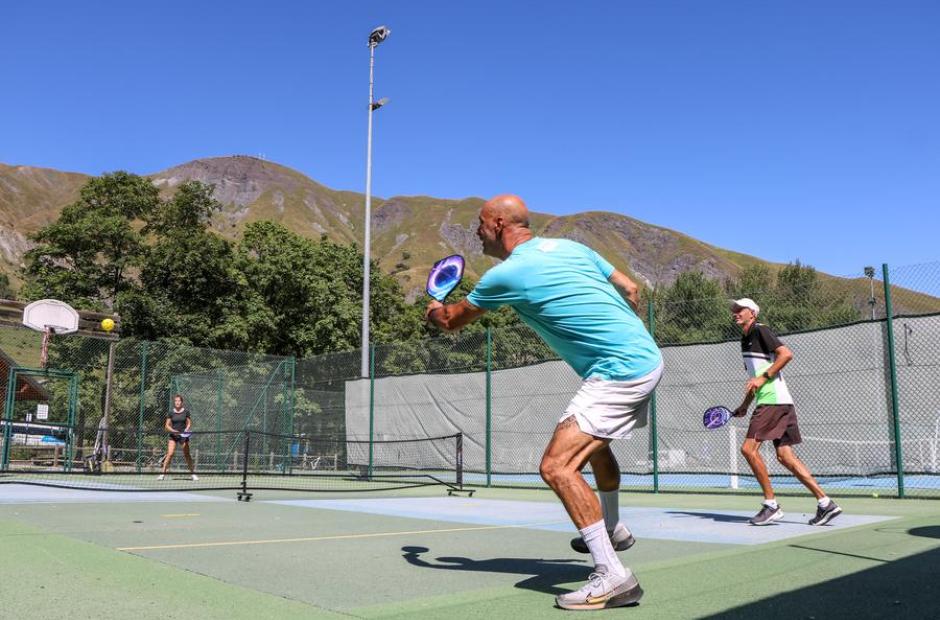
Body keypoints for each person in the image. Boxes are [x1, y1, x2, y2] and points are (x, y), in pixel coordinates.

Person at [425, 195, 663, 610]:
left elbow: (449, 321)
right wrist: (621, 331)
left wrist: (433, 309)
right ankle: (613, 528)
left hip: (619, 371)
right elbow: (631, 287)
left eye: (480, 224)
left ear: (499, 224)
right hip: (644, 357)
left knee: (557, 466)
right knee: (594, 447)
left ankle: (613, 577)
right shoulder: (572, 248)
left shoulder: (507, 274)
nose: (476, 232)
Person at [730, 298, 841, 526]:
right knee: (785, 456)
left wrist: (763, 378)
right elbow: (755, 380)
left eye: (740, 309)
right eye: (734, 309)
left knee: (748, 449)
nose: (735, 312)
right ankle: (825, 503)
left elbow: (786, 354)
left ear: (753, 313)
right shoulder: (745, 340)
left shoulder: (760, 330)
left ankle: (771, 505)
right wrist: (745, 405)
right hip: (781, 402)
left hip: (773, 402)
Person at [158, 394, 198, 481]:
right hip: (173, 435)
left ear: (182, 402)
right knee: (170, 454)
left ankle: (193, 474)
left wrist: (186, 429)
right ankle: (162, 474)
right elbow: (166, 426)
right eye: (176, 401)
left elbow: (189, 423)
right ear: (174, 402)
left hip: (183, 436)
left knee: (187, 454)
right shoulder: (171, 413)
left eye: (179, 401)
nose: (177, 402)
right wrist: (173, 431)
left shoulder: (186, 412)